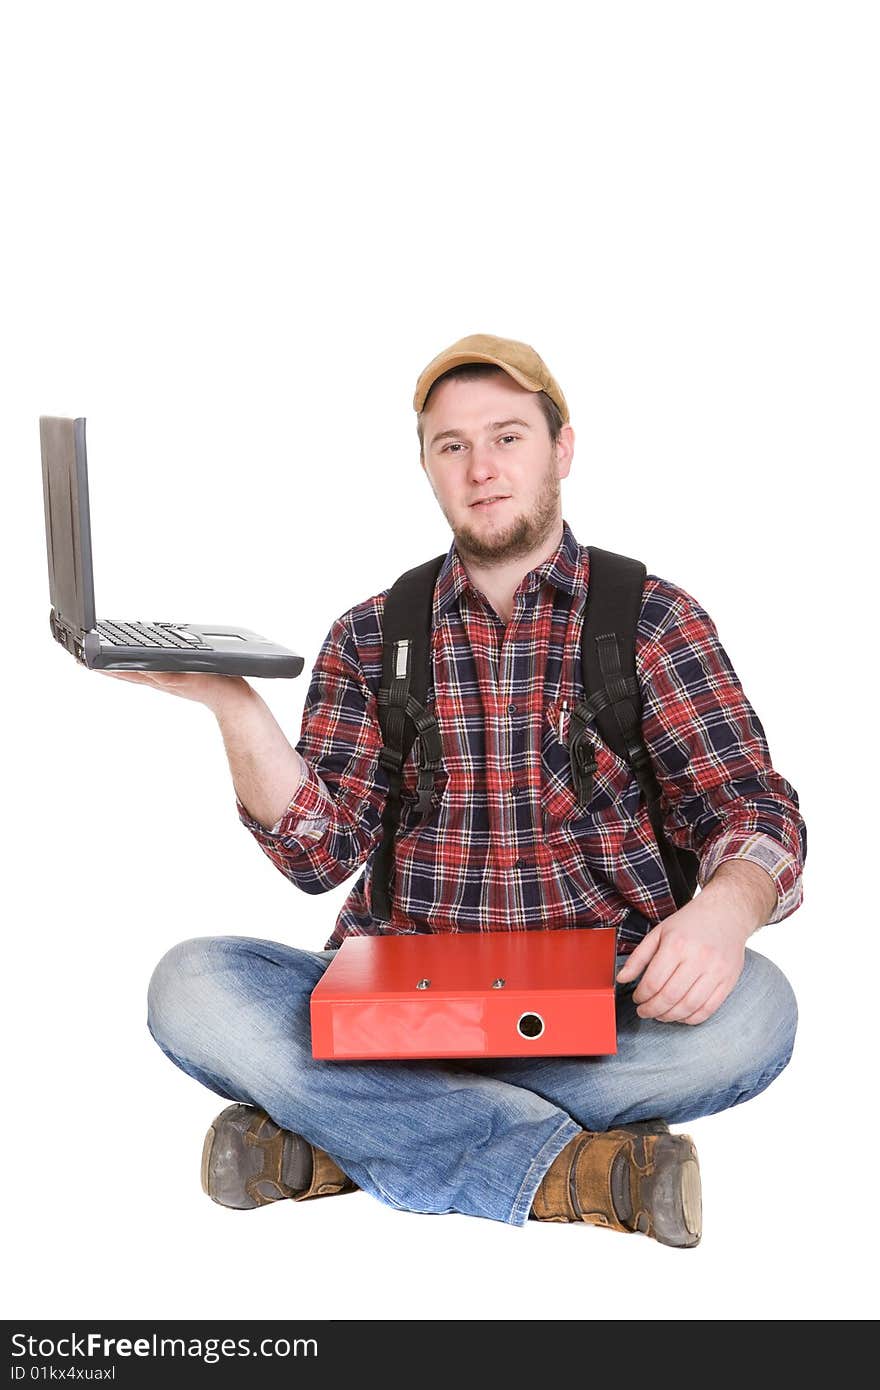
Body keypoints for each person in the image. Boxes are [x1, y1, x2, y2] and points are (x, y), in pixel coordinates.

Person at [105, 334, 806, 1248]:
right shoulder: (372, 634)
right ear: (428, 468)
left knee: (756, 1014)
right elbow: (320, 855)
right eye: (452, 446)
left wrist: (726, 911)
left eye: (508, 437)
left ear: (563, 449)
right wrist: (233, 707)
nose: (481, 468)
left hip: (603, 1015)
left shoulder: (653, 619)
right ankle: (567, 1173)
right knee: (191, 987)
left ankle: (339, 1139)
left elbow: (750, 809)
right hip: (398, 1012)